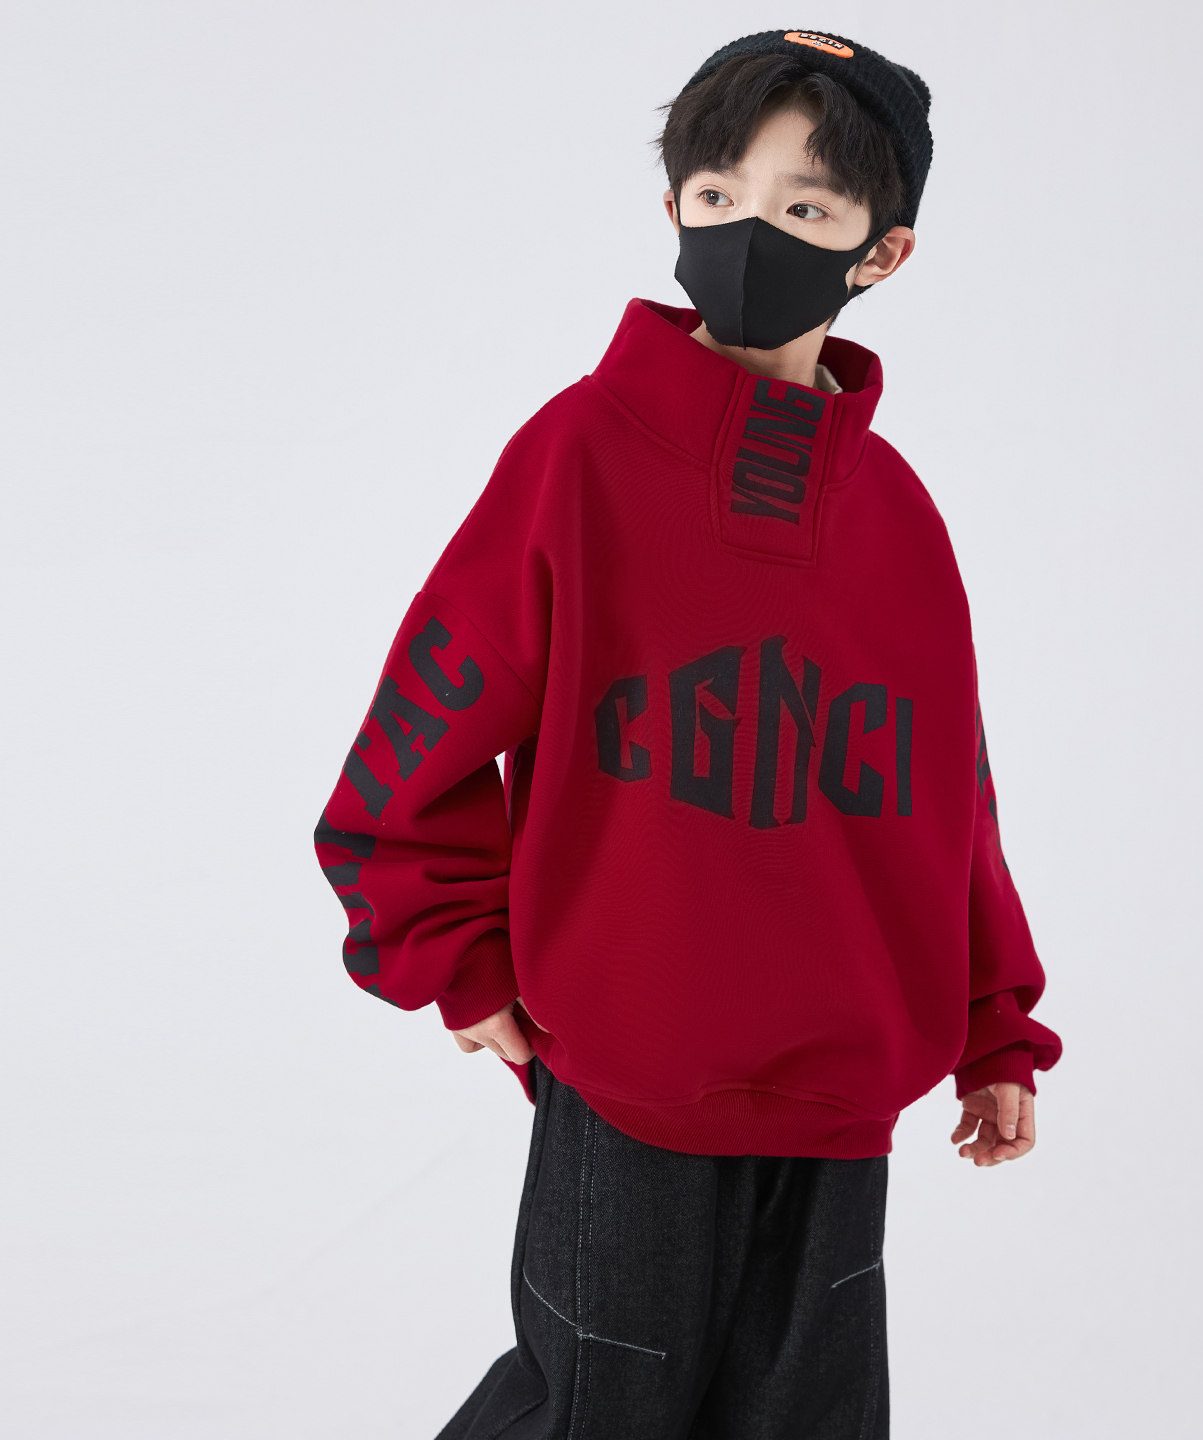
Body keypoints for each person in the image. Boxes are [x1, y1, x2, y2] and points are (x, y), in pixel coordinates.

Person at [314, 28, 1063, 1440]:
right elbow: (420, 732)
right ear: (671, 208)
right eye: (718, 195)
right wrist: (454, 957)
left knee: (808, 1423)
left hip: (842, 1091)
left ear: (883, 252)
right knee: (592, 1413)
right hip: (628, 1071)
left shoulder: (897, 516)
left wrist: (992, 1026)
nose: (749, 231)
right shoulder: (578, 456)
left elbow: (946, 798)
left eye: (806, 208)